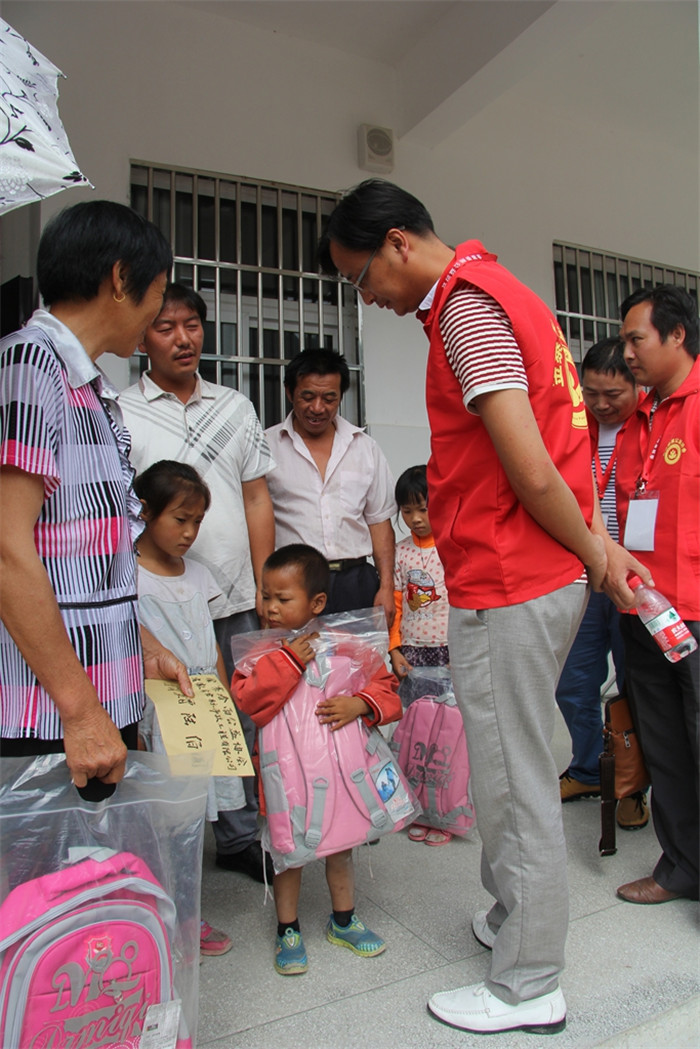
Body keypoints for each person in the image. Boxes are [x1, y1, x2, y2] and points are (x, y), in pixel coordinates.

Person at [318, 179, 647, 1036]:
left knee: (512, 777)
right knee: (515, 761)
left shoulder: (465, 310)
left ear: (397, 241)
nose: (367, 298)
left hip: (513, 577)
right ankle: (512, 917)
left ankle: (530, 984)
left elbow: (532, 467)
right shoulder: (507, 292)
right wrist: (596, 547)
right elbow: (559, 449)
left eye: (360, 277)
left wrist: (596, 554)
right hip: (527, 571)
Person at [0, 200, 191, 794]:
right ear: (120, 278)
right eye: (158, 291)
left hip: (99, 704)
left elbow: (82, 559)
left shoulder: (87, 386)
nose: (159, 310)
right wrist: (80, 711)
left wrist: (142, 646)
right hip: (49, 718)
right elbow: (6, 547)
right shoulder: (30, 362)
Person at [120, 284, 275, 882]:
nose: (182, 339)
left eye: (192, 325)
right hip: (154, 603)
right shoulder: (120, 411)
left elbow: (256, 496)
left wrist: (263, 582)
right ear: (142, 338)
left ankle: (237, 838)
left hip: (231, 593)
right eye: (165, 327)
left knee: (235, 717)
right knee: (167, 722)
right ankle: (172, 841)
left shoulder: (235, 406)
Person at [232, 544, 401, 975]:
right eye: (265, 596)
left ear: (317, 602)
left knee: (340, 849)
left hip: (340, 778)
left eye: (282, 598)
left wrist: (360, 704)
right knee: (289, 854)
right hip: (287, 783)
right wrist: (288, 661)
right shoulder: (258, 655)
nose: (271, 607)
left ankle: (343, 920)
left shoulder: (346, 647)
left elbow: (385, 688)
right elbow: (250, 701)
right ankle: (287, 929)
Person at [614, 285, 699, 905]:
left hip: (695, 614)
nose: (627, 353)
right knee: (665, 745)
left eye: (635, 339)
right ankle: (682, 868)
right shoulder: (637, 418)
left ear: (677, 335)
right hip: (643, 610)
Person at [133, 460, 237, 956]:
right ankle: (159, 914)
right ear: (145, 511)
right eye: (180, 519)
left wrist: (225, 703)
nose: (190, 532)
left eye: (197, 521)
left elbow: (211, 645)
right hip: (160, 711)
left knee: (192, 820)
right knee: (163, 820)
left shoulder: (198, 574)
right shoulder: (125, 572)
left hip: (203, 708)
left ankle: (186, 912)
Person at [557, 338, 649, 831]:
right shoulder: (575, 427)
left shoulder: (653, 426)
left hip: (639, 580)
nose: (600, 404)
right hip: (585, 577)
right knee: (572, 682)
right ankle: (590, 769)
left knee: (638, 686)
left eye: (612, 394)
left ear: (637, 385)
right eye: (590, 393)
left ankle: (631, 785)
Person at [264, 349, 396, 624]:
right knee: (296, 653)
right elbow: (256, 521)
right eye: (308, 396)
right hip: (293, 587)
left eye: (329, 398)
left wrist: (386, 586)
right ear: (289, 392)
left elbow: (379, 522)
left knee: (358, 653)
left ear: (340, 397)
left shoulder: (365, 448)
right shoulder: (266, 447)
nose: (317, 408)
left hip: (356, 583)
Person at [388, 465, 453, 846]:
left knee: (445, 735)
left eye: (423, 509)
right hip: (412, 655)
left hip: (448, 655)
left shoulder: (452, 546)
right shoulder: (401, 552)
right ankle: (415, 806)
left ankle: (442, 811)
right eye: (407, 510)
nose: (415, 518)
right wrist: (394, 649)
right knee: (414, 732)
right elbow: (397, 604)